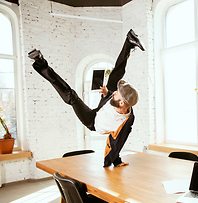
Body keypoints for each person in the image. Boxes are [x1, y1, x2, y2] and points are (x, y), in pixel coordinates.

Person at [28, 29, 145, 167]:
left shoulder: (126, 122)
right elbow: (112, 95)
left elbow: (118, 142)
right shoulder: (116, 98)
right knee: (114, 77)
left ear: (122, 102)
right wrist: (107, 94)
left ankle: (42, 64)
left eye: (116, 93)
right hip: (101, 108)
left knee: (71, 96)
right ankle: (129, 42)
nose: (114, 93)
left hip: (92, 121)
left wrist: (116, 161)